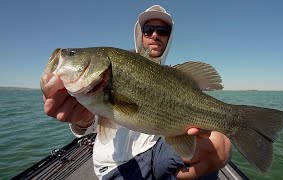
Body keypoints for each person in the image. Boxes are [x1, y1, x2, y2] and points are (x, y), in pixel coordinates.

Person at [42, 5, 232, 180]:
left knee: (219, 145)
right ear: (140, 34)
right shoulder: (113, 70)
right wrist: (82, 121)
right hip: (116, 166)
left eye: (163, 31)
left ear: (169, 37)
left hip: (158, 152)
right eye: (148, 30)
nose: (155, 35)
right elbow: (90, 124)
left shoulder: (175, 77)